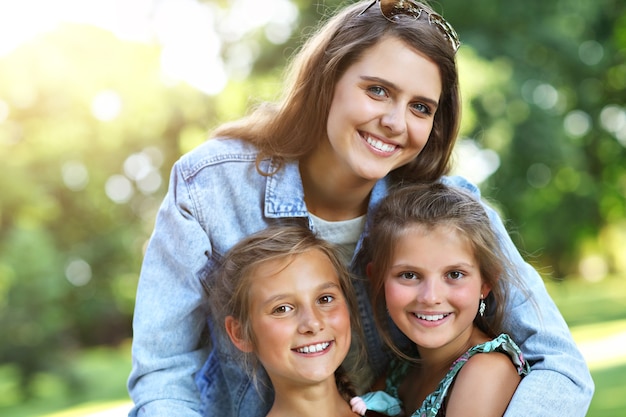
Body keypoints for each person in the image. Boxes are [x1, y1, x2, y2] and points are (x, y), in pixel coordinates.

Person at [127, 1, 594, 416]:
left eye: (421, 108)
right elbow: (164, 374)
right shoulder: (211, 187)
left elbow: (559, 362)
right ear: (328, 80)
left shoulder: (445, 212)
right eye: (377, 90)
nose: (395, 123)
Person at [351, 182, 532, 417]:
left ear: (485, 284)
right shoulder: (402, 371)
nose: (431, 297)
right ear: (377, 280)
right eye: (409, 275)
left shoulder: (485, 371)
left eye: (454, 274)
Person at [209, 225, 363, 417]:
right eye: (282, 309)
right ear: (240, 334)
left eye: (325, 299)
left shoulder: (391, 405)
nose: (313, 323)